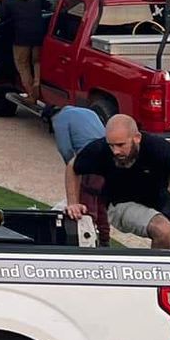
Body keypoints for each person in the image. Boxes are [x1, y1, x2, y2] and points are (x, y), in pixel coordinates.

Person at [66, 114, 170, 265]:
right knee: (162, 229)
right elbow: (72, 167)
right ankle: (155, 283)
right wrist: (72, 202)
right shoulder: (101, 148)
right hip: (121, 203)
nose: (115, 151)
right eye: (111, 145)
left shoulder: (157, 146)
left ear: (137, 138)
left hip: (161, 203)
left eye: (121, 145)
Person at [51, 104, 110, 244]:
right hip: (107, 157)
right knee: (101, 202)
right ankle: (104, 240)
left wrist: (73, 174)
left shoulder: (59, 119)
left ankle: (88, 242)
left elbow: (65, 149)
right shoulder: (88, 111)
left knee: (86, 205)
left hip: (89, 161)